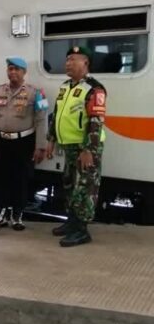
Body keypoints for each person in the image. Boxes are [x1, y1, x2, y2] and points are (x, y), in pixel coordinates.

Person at [46, 46, 106, 247]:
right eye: (67, 60)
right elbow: (56, 115)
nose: (68, 63)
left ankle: (82, 230)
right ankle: (72, 222)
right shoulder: (65, 87)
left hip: (85, 147)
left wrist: (88, 149)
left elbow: (96, 120)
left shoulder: (94, 89)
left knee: (84, 188)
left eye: (73, 59)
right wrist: (51, 140)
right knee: (70, 185)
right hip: (69, 147)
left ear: (85, 62)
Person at [0, 57, 48, 231]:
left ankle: (17, 216)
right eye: (10, 69)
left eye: (17, 69)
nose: (13, 72)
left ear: (24, 72)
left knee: (21, 179)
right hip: (3, 141)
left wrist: (41, 146)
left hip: (24, 143)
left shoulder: (37, 93)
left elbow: (42, 119)